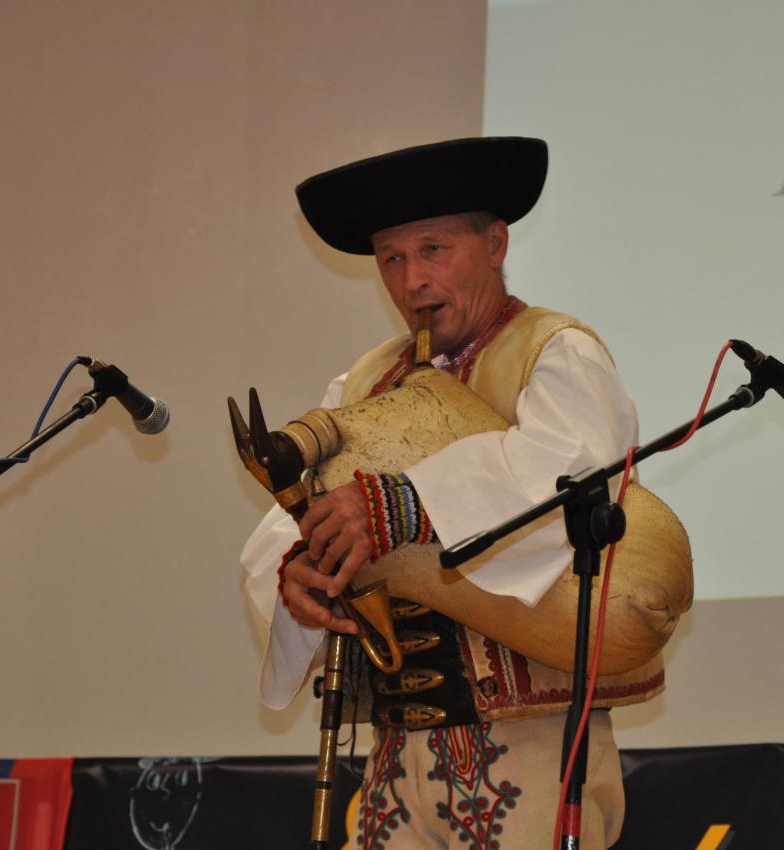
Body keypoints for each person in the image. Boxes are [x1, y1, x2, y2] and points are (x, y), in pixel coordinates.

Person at [241, 137, 668, 849]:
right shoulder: (362, 382)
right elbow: (292, 519)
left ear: (496, 243)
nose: (412, 280)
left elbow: (570, 472)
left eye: (433, 249)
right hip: (393, 751)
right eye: (392, 258)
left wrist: (402, 504)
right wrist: (301, 568)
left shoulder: (553, 350)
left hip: (532, 744)